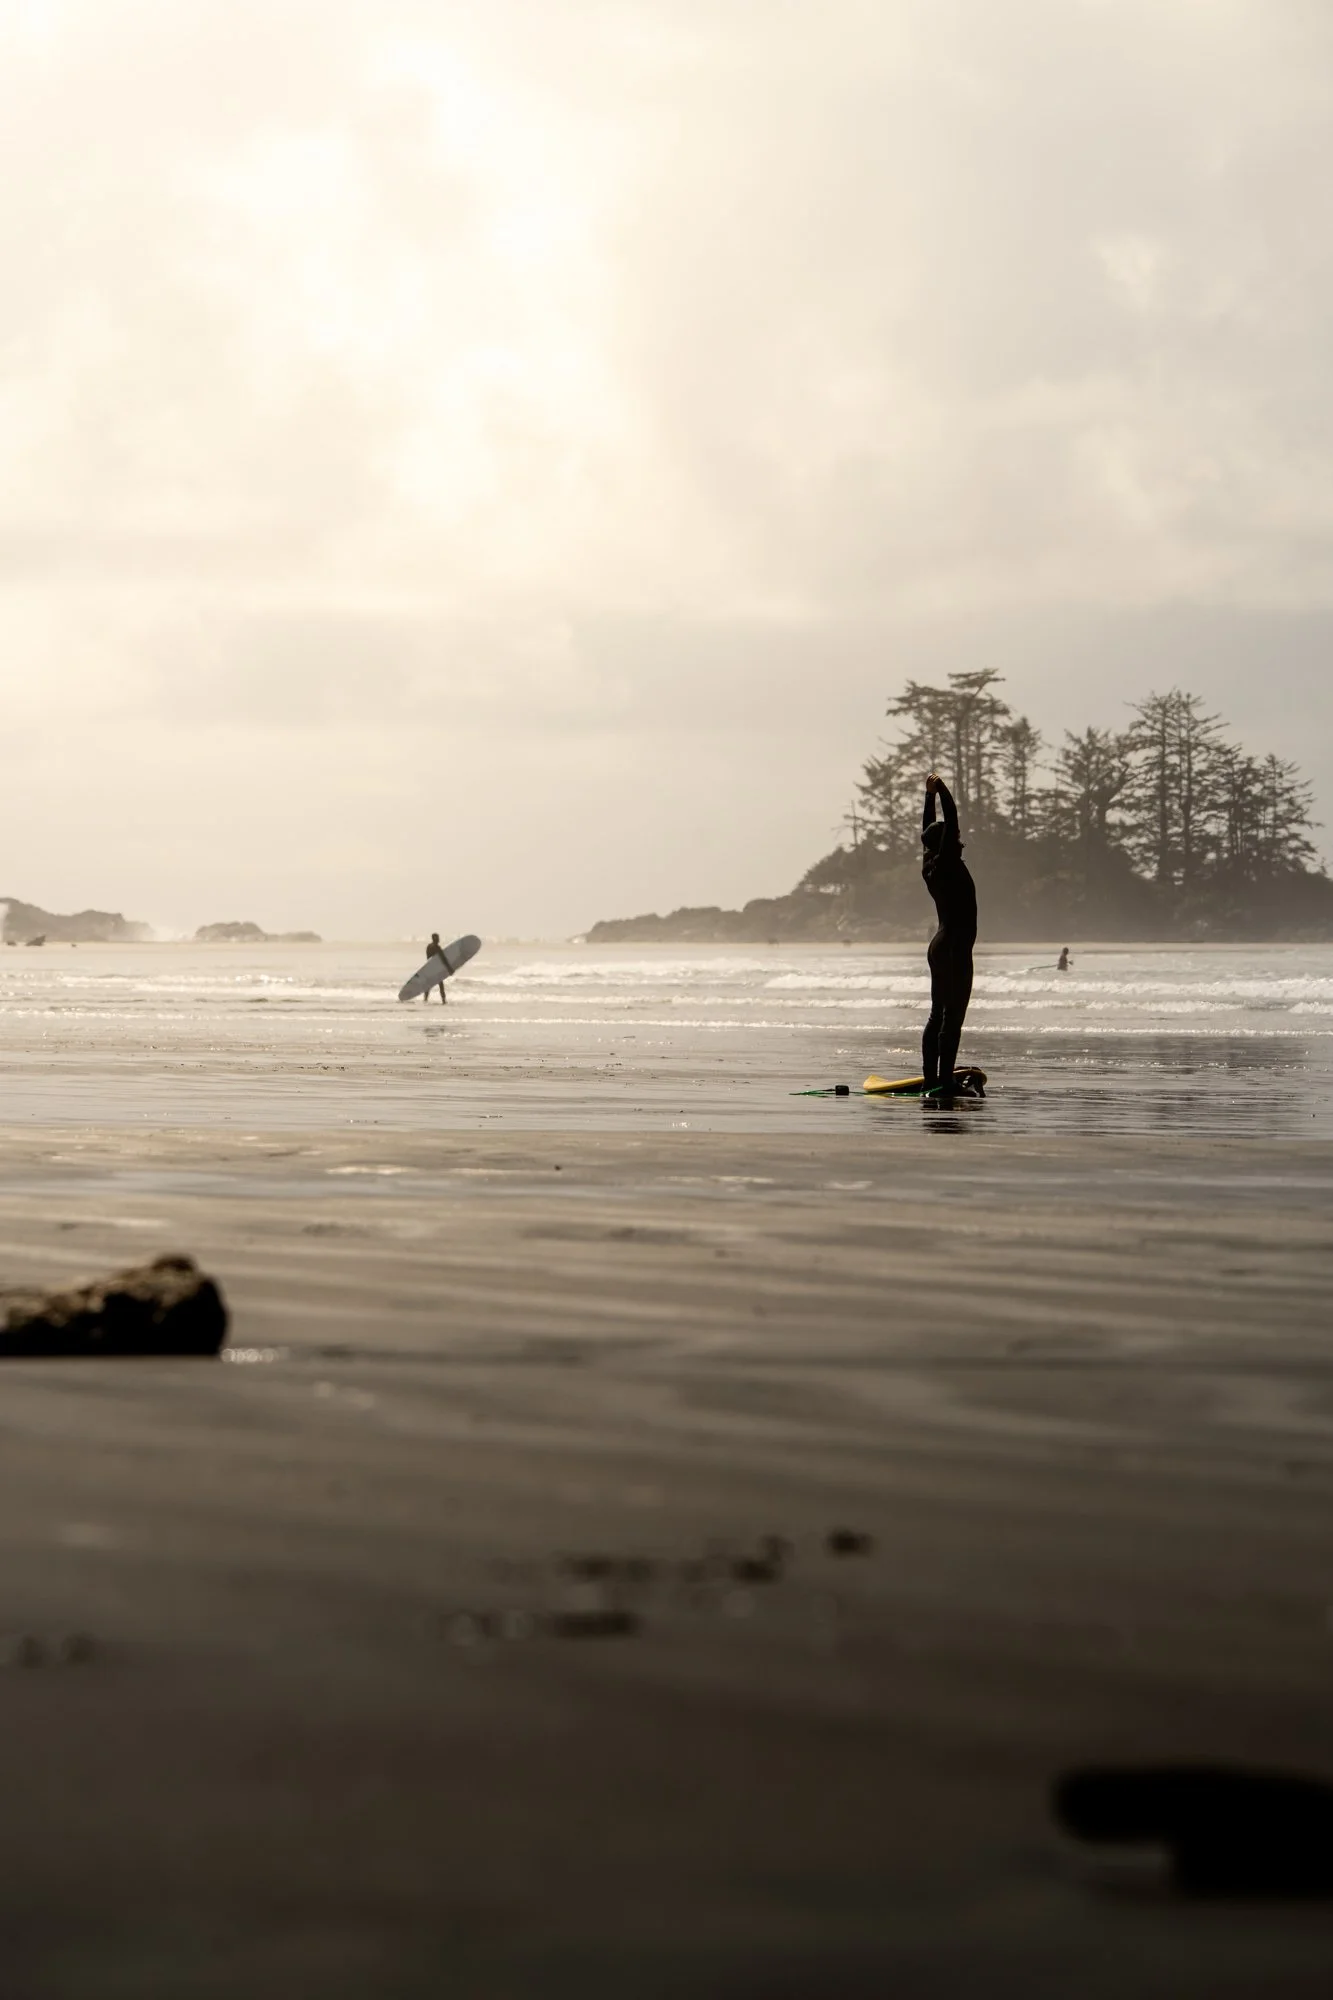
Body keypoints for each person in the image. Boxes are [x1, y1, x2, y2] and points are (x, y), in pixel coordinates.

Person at [920, 774, 977, 1097]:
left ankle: (932, 1080)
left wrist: (928, 799)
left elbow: (929, 829)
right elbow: (950, 821)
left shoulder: (930, 862)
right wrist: (941, 789)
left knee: (937, 1013)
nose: (958, 838)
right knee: (953, 1016)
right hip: (955, 947)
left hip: (941, 945)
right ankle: (945, 1084)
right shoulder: (947, 862)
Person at [423, 932, 448, 1005]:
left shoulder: (429, 946)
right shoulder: (437, 947)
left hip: (429, 968)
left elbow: (428, 958)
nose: (439, 939)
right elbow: (443, 958)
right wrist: (449, 968)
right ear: (435, 939)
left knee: (428, 985)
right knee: (441, 985)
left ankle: (425, 999)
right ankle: (443, 1000)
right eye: (438, 938)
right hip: (436, 969)